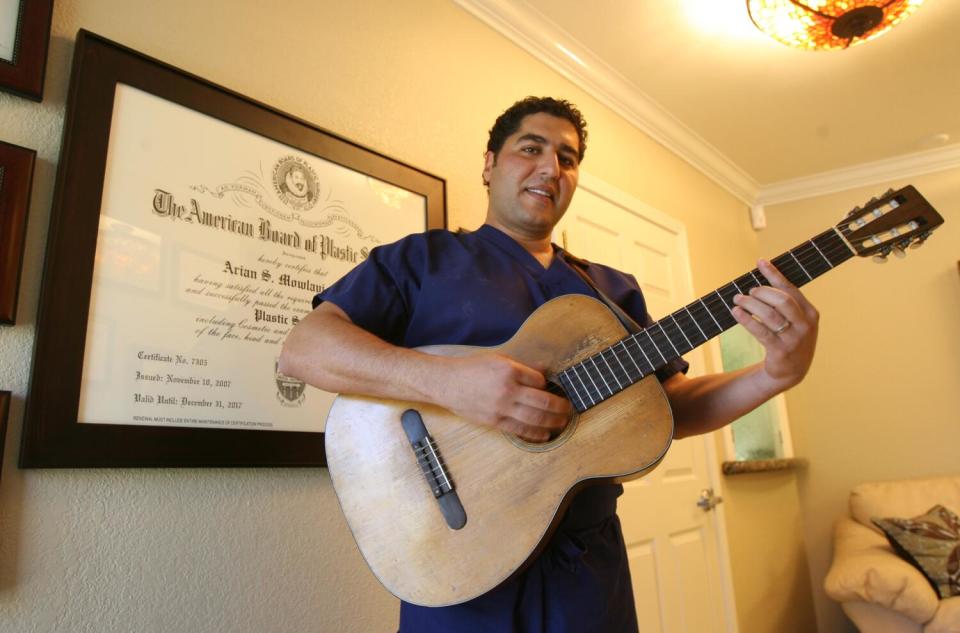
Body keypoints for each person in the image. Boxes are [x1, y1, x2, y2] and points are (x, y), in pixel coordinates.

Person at [279, 96, 819, 633]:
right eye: (530, 148)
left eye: (568, 157)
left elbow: (671, 408)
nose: (550, 168)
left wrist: (776, 374)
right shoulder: (422, 260)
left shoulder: (612, 290)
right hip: (459, 567)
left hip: (587, 577)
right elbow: (305, 349)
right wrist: (449, 383)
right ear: (489, 165)